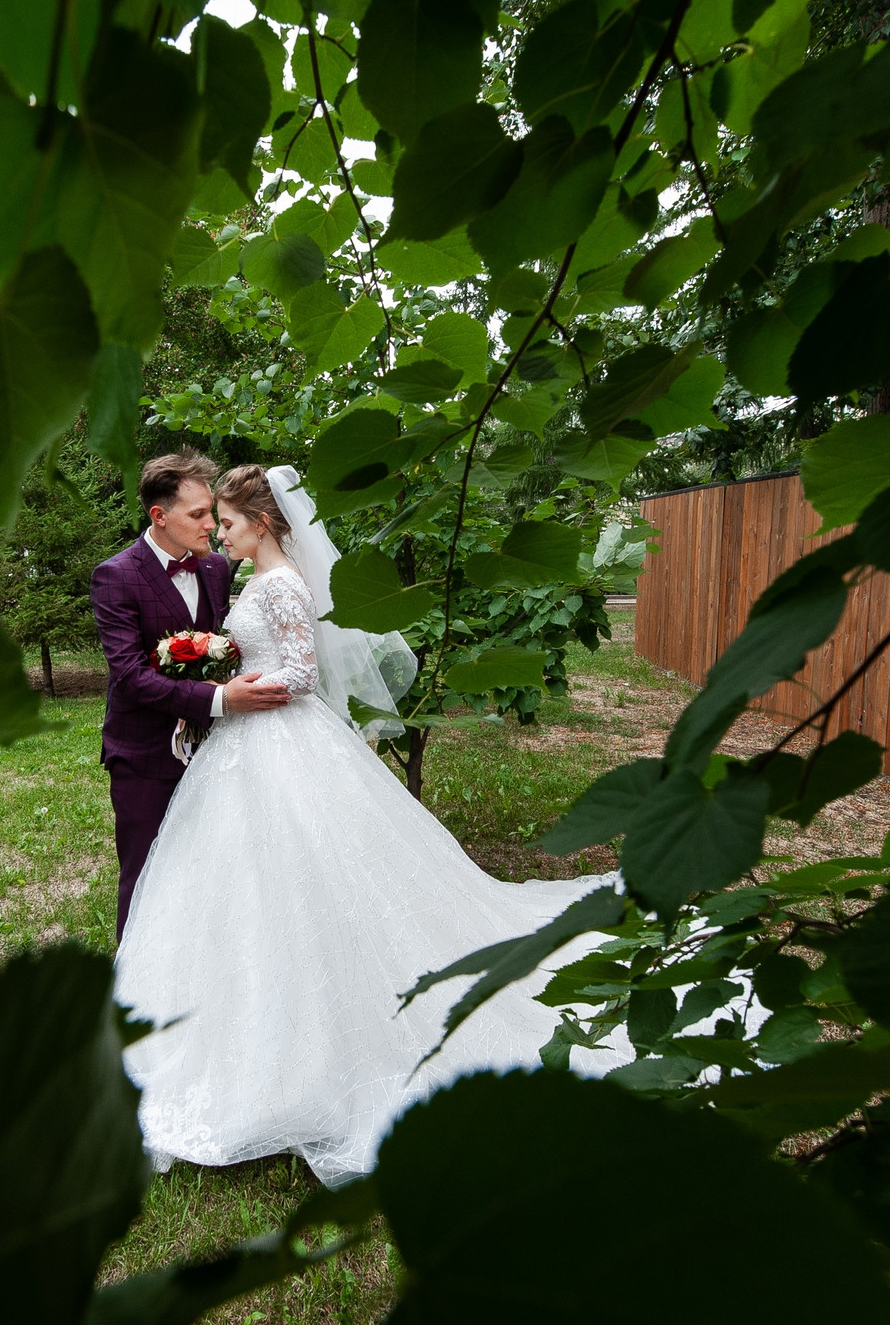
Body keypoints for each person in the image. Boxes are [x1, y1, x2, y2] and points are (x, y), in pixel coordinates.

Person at [113, 464, 635, 1187]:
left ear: (260, 523)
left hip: (276, 739)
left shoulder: (285, 583)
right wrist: (218, 677)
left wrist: (228, 683)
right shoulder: (247, 579)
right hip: (240, 742)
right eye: (211, 521)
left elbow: (300, 670)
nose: (217, 534)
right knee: (236, 886)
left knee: (305, 877)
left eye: (227, 522)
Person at [91, 451, 294, 942]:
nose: (211, 525)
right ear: (159, 516)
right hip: (145, 753)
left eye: (212, 513)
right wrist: (222, 699)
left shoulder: (217, 570)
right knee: (144, 873)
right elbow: (131, 677)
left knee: (212, 872)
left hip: (219, 754)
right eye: (198, 514)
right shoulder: (116, 576)